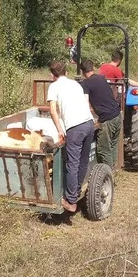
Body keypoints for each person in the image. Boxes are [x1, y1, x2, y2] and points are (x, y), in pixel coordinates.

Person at [46, 60, 95, 213]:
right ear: (66, 72)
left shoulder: (53, 86)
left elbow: (53, 111)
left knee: (72, 164)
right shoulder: (75, 84)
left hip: (75, 127)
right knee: (83, 161)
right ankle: (77, 190)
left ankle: (71, 200)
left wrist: (60, 130)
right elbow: (85, 103)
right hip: (88, 123)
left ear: (52, 75)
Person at [80, 58, 122, 167]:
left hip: (107, 120)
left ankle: (108, 176)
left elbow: (84, 104)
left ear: (82, 72)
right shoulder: (102, 79)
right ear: (93, 68)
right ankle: (113, 169)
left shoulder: (86, 84)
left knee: (103, 149)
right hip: (117, 115)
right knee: (112, 145)